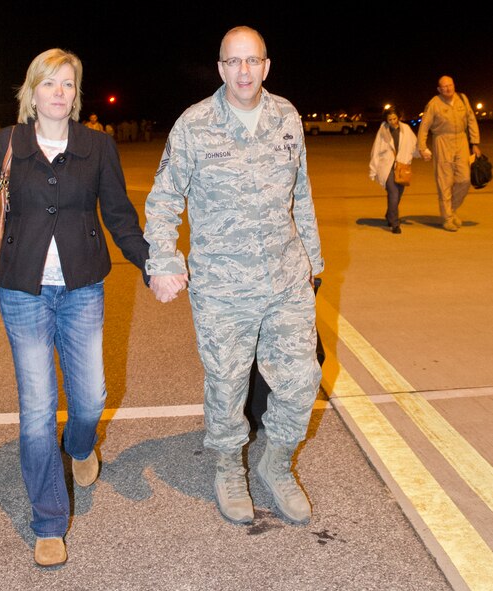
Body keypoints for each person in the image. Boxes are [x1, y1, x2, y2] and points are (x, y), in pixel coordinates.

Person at [0, 48, 149, 567]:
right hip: (23, 292)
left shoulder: (97, 146)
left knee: (92, 398)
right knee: (36, 412)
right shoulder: (6, 144)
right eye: (49, 83)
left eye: (68, 84)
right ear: (31, 92)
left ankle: (79, 446)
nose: (59, 92)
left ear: (76, 94)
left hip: (81, 290)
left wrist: (150, 262)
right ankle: (48, 522)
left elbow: (119, 215)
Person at [144, 26, 324, 526]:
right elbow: (163, 200)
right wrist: (163, 259)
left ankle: (277, 463)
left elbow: (301, 195)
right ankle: (228, 466)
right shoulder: (195, 124)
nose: (243, 71)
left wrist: (314, 262)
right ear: (220, 68)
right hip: (223, 288)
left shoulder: (287, 117)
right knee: (226, 386)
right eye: (233, 62)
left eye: (253, 61)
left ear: (266, 65)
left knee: (301, 381)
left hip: (287, 278)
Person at [417, 75, 481, 232]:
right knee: (444, 181)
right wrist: (422, 147)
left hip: (461, 140)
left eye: (450, 85)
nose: (448, 88)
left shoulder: (463, 99)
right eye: (444, 86)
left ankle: (450, 210)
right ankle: (447, 218)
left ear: (454, 85)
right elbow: (424, 126)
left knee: (465, 179)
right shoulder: (434, 103)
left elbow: (471, 120)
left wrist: (475, 143)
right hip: (442, 141)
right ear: (439, 89)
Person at [369, 106, 419, 234]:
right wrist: (373, 169)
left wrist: (423, 152)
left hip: (402, 167)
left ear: (399, 117)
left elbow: (414, 144)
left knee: (398, 195)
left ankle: (389, 214)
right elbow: (375, 151)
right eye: (389, 119)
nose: (392, 121)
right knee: (394, 193)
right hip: (386, 168)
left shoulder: (406, 129)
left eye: (394, 118)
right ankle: (394, 223)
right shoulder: (383, 131)